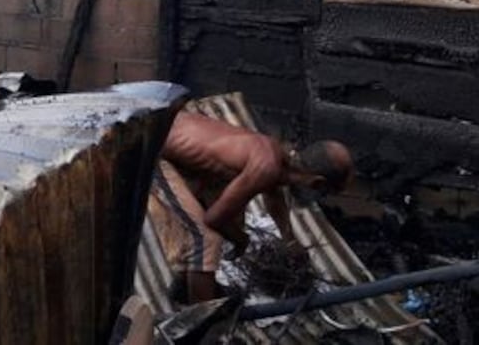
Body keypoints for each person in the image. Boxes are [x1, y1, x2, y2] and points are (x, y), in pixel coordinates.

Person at [148, 111, 354, 304]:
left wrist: (289, 239)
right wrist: (241, 240)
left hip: (175, 136)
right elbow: (214, 218)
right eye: (323, 192)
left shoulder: (279, 154)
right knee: (207, 240)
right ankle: (201, 317)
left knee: (231, 214)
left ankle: (186, 286)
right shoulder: (267, 166)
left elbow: (274, 196)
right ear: (317, 183)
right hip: (154, 148)